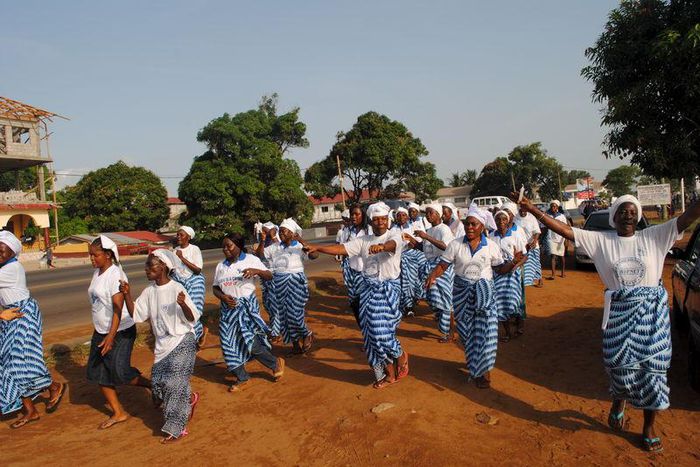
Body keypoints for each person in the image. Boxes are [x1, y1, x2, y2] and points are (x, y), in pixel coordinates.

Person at [511, 191, 700, 453]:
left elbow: (689, 216)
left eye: (633, 212)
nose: (628, 215)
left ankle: (648, 427)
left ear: (639, 216)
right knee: (618, 367)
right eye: (623, 211)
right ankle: (620, 399)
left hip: (651, 319)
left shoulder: (655, 236)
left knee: (653, 373)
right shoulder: (602, 241)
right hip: (619, 316)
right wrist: (532, 209)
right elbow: (566, 231)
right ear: (615, 216)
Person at [305, 202, 409, 389]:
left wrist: (382, 247)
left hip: (388, 289)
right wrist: (317, 248)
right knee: (370, 334)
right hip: (368, 289)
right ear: (371, 221)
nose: (380, 223)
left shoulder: (394, 235)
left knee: (381, 332)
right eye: (376, 220)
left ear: (388, 220)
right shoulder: (363, 241)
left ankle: (400, 355)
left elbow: (392, 245)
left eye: (383, 219)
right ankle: (388, 372)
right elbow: (341, 249)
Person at [425, 207, 523, 388]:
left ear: (481, 226)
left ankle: (483, 372)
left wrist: (514, 262)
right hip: (462, 295)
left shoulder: (491, 246)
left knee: (486, 333)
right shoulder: (455, 245)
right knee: (467, 333)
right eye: (467, 223)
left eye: (473, 224)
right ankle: (475, 362)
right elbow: (443, 265)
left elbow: (500, 269)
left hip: (485, 296)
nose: (469, 227)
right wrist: (433, 276)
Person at [120, 249, 201, 444]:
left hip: (183, 340)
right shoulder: (149, 292)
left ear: (163, 266)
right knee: (158, 384)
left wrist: (183, 305)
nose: (146, 270)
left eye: (150, 265)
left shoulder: (176, 288)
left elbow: (192, 318)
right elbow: (137, 315)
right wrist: (127, 295)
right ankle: (188, 398)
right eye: (146, 266)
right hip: (163, 345)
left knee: (174, 384)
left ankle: (177, 428)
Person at [0, 231, 67, 428]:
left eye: (3, 250)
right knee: (8, 362)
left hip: (22, 313)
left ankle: (53, 386)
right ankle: (31, 410)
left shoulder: (12, 268)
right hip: (10, 314)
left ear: (13, 253)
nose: (0, 253)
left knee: (21, 359)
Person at [86, 235, 150, 429]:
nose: (92, 259)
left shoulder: (115, 275)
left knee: (121, 372)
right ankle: (118, 412)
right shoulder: (98, 272)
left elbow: (117, 309)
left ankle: (155, 386)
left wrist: (110, 338)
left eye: (95, 255)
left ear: (107, 255)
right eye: (90, 255)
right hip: (101, 330)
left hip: (120, 330)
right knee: (99, 373)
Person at [213, 233, 285, 392]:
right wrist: (223, 297)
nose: (225, 249)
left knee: (251, 342)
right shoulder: (221, 266)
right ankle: (242, 376)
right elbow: (215, 288)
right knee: (228, 345)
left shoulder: (251, 260)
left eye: (229, 246)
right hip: (228, 311)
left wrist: (256, 271)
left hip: (246, 308)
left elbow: (269, 275)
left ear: (238, 245)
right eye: (223, 246)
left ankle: (274, 363)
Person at [256, 218, 318, 355]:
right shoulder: (276, 246)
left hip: (296, 282)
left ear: (292, 232)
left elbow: (314, 255)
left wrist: (301, 240)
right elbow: (260, 255)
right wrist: (262, 240)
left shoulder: (299, 247)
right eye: (281, 231)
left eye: (284, 231)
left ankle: (307, 333)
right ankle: (295, 344)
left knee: (295, 314)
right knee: (284, 316)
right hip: (279, 283)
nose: (281, 233)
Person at [405, 204, 455, 342]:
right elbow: (425, 249)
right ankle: (444, 327)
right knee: (433, 298)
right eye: (426, 213)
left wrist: (426, 236)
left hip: (442, 267)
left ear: (438, 214)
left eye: (430, 212)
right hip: (430, 267)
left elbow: (445, 247)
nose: (428, 215)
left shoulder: (444, 229)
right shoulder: (429, 230)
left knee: (445, 300)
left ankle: (449, 332)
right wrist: (413, 242)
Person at [490, 211, 528, 341]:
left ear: (508, 221)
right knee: (499, 302)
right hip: (497, 273)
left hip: (512, 272)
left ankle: (519, 324)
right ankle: (507, 332)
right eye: (498, 220)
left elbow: (523, 256)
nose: (501, 222)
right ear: (494, 222)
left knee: (515, 301)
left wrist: (516, 266)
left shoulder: (515, 235)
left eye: (503, 220)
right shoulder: (491, 237)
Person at [172, 226, 208, 347]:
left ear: (189, 237)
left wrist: (181, 258)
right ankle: (197, 333)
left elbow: (197, 270)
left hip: (194, 282)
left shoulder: (194, 249)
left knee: (194, 310)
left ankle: (196, 335)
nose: (178, 237)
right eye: (177, 235)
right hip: (180, 283)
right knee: (182, 310)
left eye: (181, 235)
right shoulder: (174, 250)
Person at [338, 204, 369, 326]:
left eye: (357, 214)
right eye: (352, 214)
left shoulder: (369, 230)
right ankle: (363, 327)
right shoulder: (348, 231)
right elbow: (344, 247)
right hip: (352, 270)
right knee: (354, 303)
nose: (354, 217)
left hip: (365, 272)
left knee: (364, 302)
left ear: (363, 215)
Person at [392, 207, 426, 317]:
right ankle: (408, 307)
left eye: (403, 215)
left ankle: (414, 300)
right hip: (399, 259)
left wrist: (411, 239)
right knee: (403, 283)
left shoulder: (413, 228)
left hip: (413, 258)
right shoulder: (392, 230)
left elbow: (420, 244)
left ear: (407, 216)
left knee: (415, 281)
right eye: (399, 215)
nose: (401, 217)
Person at [258, 222, 280, 340]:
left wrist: (273, 237)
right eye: (263, 231)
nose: (264, 234)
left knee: (275, 306)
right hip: (265, 280)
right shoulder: (263, 244)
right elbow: (260, 255)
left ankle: (276, 333)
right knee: (268, 305)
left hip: (276, 279)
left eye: (266, 231)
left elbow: (282, 251)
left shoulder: (278, 243)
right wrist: (262, 240)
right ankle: (276, 327)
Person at [516, 205, 543, 288]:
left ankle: (540, 280)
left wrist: (534, 241)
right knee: (523, 265)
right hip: (522, 246)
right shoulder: (515, 218)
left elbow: (537, 232)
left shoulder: (532, 218)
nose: (523, 212)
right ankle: (525, 281)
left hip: (532, 245)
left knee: (536, 263)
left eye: (525, 210)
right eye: (521, 210)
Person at [545, 200, 567, 279]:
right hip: (551, 238)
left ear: (557, 207)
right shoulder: (548, 216)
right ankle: (553, 274)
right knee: (553, 256)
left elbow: (565, 228)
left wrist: (565, 240)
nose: (553, 208)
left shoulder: (561, 216)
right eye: (551, 206)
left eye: (554, 206)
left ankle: (563, 272)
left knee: (561, 256)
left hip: (560, 238)